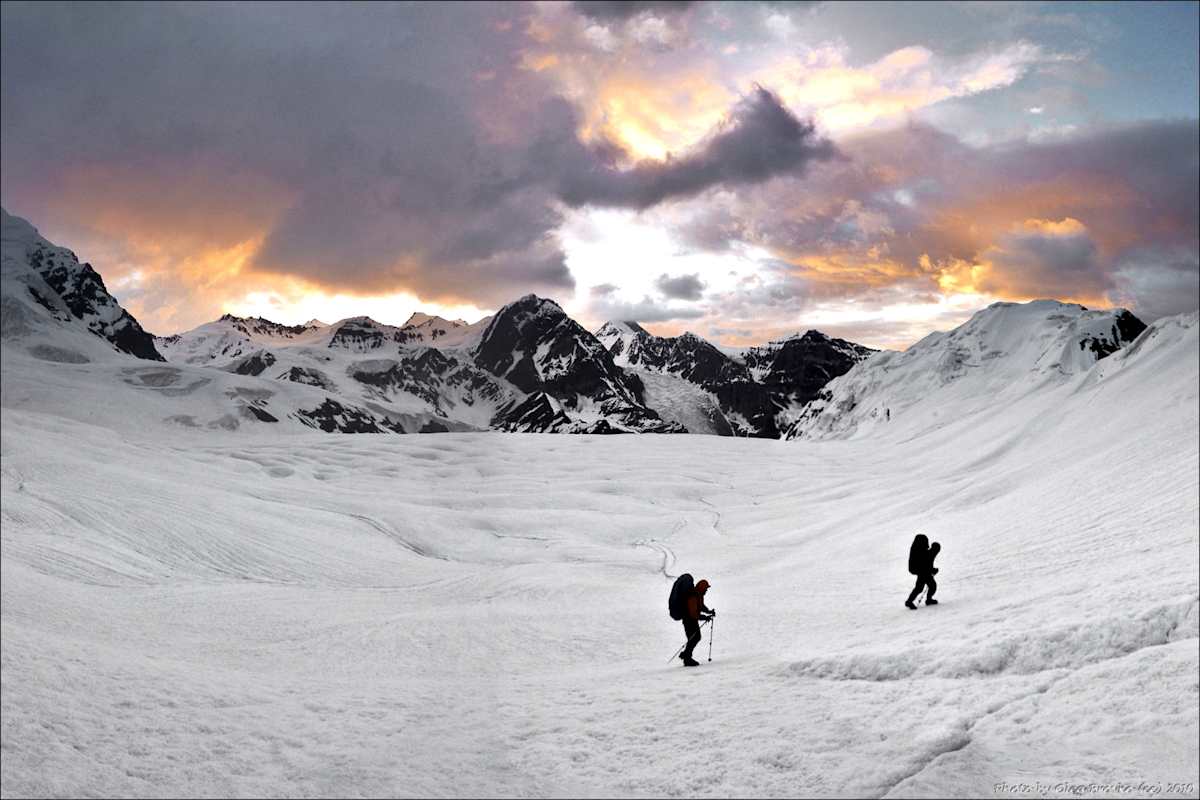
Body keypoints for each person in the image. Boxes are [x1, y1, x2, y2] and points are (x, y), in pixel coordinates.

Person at [680, 578, 715, 666]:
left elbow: (701, 606)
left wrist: (709, 612)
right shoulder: (693, 596)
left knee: (695, 638)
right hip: (688, 620)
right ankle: (687, 659)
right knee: (694, 638)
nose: (706, 590)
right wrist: (704, 617)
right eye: (706, 588)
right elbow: (693, 613)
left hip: (692, 620)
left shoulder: (699, 595)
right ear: (702, 588)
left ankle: (686, 655)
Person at [905, 538, 940, 609]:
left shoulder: (924, 552)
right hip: (923, 572)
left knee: (929, 586)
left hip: (923, 572)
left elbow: (927, 564)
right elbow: (926, 564)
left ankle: (927, 600)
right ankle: (910, 601)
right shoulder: (926, 553)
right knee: (923, 587)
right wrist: (933, 570)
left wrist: (932, 570)